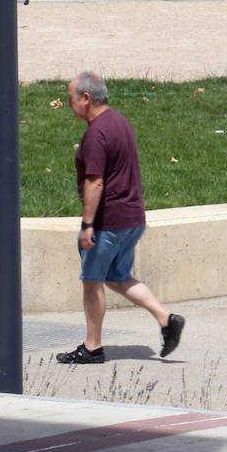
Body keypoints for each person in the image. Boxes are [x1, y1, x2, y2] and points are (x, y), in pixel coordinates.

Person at [58, 72, 184, 364]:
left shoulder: (95, 133)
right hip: (132, 217)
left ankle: (92, 348)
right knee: (117, 277)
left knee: (92, 281)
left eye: (70, 99)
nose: (69, 105)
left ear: (86, 99)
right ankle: (167, 320)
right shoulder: (120, 122)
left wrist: (88, 225)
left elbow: (95, 182)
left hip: (108, 222)